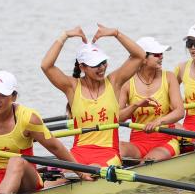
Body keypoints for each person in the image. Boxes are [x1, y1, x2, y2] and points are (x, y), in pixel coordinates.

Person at [0, 71, 91, 194]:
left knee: (16, 161)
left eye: (2, 95)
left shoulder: (28, 118)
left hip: (25, 180)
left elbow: (55, 147)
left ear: (14, 97)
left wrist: (81, 173)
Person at [41, 24, 146, 166]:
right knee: (54, 180)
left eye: (103, 62)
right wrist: (65, 35)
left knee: (92, 169)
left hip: (108, 153)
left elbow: (139, 55)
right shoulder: (71, 87)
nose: (102, 68)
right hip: (78, 152)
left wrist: (116, 33)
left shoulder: (114, 82)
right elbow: (46, 66)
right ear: (82, 67)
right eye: (96, 65)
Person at [118, 37, 184, 161]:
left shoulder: (169, 77)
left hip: (166, 140)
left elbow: (180, 111)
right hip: (137, 143)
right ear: (143, 59)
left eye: (162, 54)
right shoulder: (127, 83)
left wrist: (159, 122)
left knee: (148, 161)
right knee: (116, 147)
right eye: (157, 54)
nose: (161, 57)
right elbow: (118, 117)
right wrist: (136, 105)